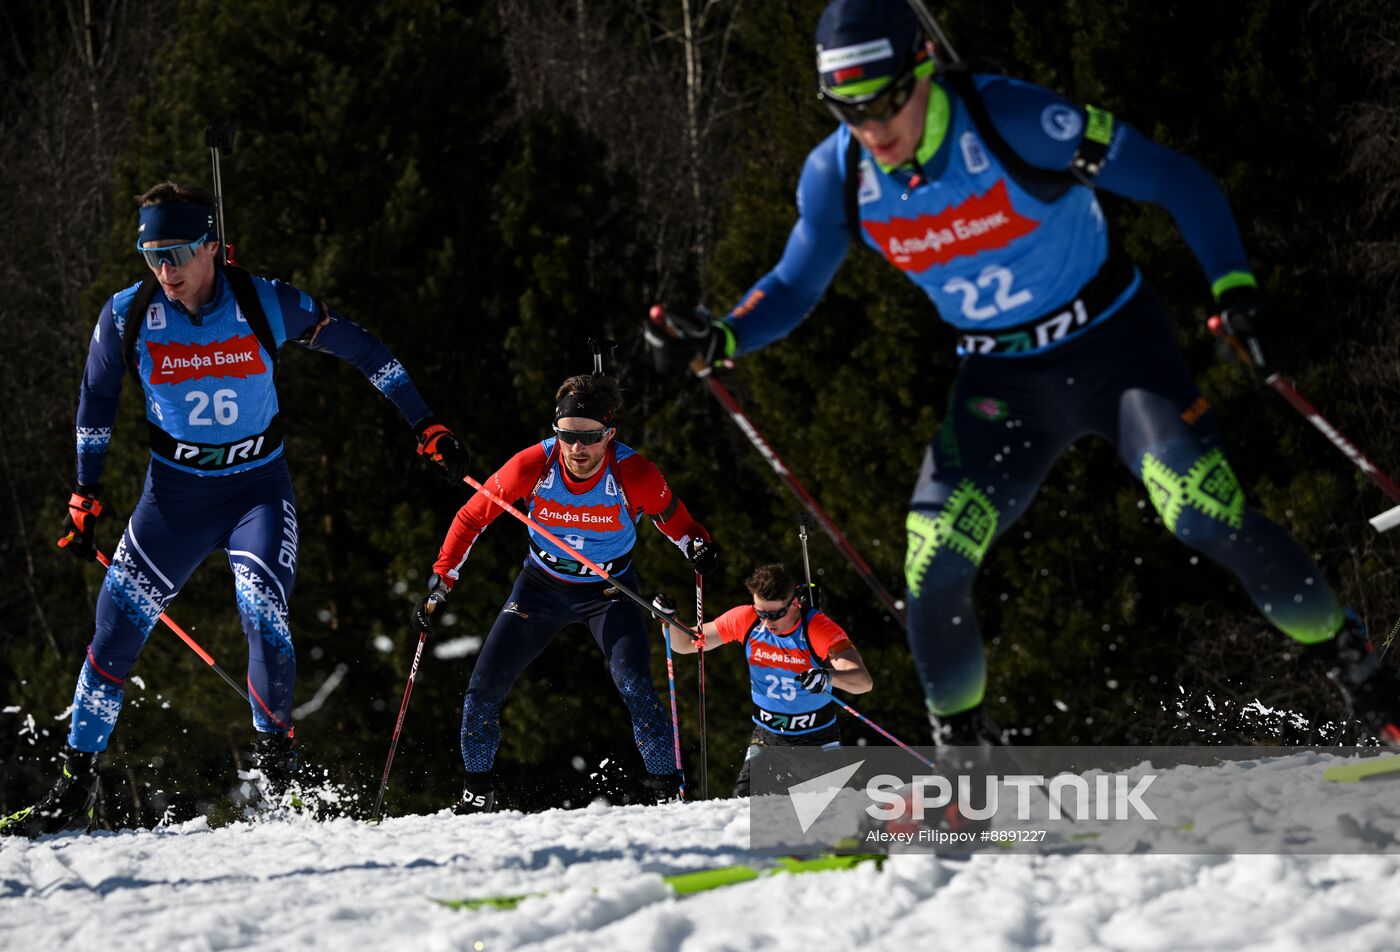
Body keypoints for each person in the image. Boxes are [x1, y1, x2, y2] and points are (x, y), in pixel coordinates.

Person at [646, 0, 1400, 747]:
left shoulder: (1010, 118)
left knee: (1201, 509)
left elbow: (1175, 178)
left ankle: (1361, 669)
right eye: (847, 110)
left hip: (1115, 347)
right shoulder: (838, 174)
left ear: (922, 68)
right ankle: (964, 759)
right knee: (933, 555)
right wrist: (721, 336)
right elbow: (794, 285)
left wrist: (1236, 292)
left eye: (882, 102)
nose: (871, 129)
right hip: (1002, 379)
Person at [0, 183, 467, 837]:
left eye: (177, 254)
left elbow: (364, 349)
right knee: (112, 633)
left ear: (212, 247)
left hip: (257, 492)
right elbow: (96, 398)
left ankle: (279, 778)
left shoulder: (263, 301)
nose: (165, 271)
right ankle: (73, 786)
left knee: (262, 612)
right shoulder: (128, 314)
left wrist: (424, 422)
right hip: (173, 498)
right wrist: (85, 492)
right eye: (151, 256)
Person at [416, 373, 718, 812]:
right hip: (540, 587)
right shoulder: (531, 466)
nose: (577, 448)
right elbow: (472, 516)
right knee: (482, 689)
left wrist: (696, 545)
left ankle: (666, 791)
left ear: (609, 434)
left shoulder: (634, 473)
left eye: (590, 438)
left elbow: (674, 519)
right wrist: (442, 580)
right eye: (567, 436)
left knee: (635, 685)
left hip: (610, 591)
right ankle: (476, 793)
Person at [665, 563, 871, 797]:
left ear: (794, 602)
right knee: (745, 810)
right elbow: (685, 644)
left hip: (817, 741)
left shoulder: (817, 628)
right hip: (767, 738)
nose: (767, 622)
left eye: (775, 615)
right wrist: (669, 621)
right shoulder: (747, 619)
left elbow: (863, 682)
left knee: (830, 815)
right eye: (762, 613)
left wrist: (827, 677)